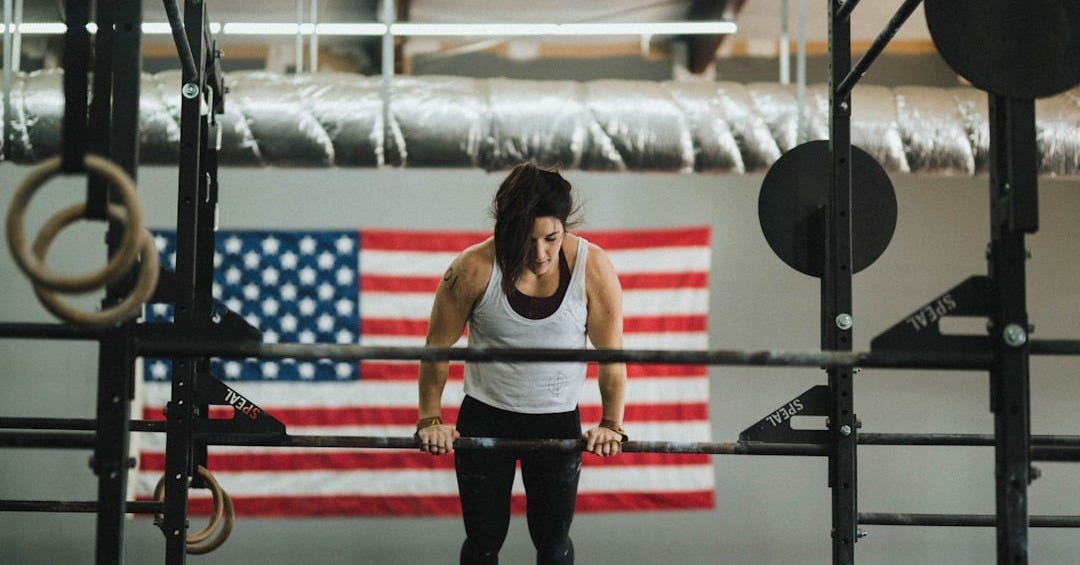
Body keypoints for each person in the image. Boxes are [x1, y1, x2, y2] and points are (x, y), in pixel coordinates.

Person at [416, 161, 628, 565]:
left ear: (565, 225)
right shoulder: (473, 268)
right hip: (485, 417)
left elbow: (611, 358)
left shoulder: (593, 268)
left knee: (552, 543)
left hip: (555, 420)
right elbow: (436, 350)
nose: (539, 253)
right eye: (526, 239)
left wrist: (611, 423)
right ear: (505, 228)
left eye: (551, 238)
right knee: (483, 541)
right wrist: (430, 419)